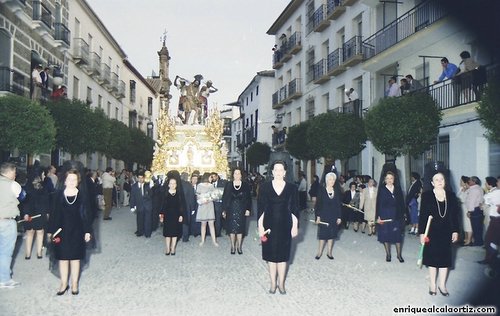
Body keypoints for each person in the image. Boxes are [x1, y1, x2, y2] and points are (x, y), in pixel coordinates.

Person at [257, 160, 299, 295]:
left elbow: (295, 209)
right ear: (272, 172)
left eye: (281, 170)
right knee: (270, 256)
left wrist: (295, 226)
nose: (279, 172)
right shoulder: (264, 187)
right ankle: (273, 283)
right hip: (269, 226)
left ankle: (281, 283)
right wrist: (260, 227)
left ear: (285, 172)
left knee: (282, 256)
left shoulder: (292, 188)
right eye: (276, 170)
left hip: (285, 225)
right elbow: (261, 209)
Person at [47, 169, 92, 295]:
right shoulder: (58, 195)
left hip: (78, 231)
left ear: (78, 181)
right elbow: (54, 214)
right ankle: (63, 283)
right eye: (69, 179)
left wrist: (87, 231)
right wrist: (51, 231)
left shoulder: (82, 195)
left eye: (74, 179)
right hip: (61, 231)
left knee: (75, 258)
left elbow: (86, 215)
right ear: (65, 181)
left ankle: (75, 284)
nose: (72, 182)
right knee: (63, 258)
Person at [418, 172, 459, 296]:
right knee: (432, 260)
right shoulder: (427, 196)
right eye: (436, 179)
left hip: (446, 231)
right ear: (432, 183)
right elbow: (423, 216)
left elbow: (455, 216)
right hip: (431, 232)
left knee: (444, 260)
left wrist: (455, 230)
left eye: (442, 179)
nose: (439, 181)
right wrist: (421, 233)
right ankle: (432, 285)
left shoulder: (451, 196)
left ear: (445, 181)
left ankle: (442, 285)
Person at [0, 162, 23, 289]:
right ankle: (4, 279)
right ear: (9, 172)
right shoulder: (13, 185)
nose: (15, 175)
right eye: (14, 172)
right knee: (5, 252)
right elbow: (22, 197)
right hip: (7, 221)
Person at [376, 170, 406, 262]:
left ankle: (399, 255)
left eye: (391, 178)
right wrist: (379, 216)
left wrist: (403, 214)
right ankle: (388, 254)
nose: (389, 180)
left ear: (394, 179)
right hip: (385, 214)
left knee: (397, 236)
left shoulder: (397, 189)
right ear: (385, 180)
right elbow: (379, 204)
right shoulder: (382, 190)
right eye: (387, 178)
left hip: (396, 215)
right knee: (386, 235)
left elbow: (402, 203)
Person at [22, 168, 51, 259]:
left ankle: (38, 252)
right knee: (31, 232)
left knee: (39, 232)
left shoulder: (42, 187)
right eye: (43, 174)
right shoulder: (28, 188)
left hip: (40, 212)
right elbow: (25, 202)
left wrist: (47, 212)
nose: (44, 176)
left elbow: (47, 201)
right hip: (32, 213)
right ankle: (29, 253)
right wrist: (26, 213)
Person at [222, 168, 251, 255]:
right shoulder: (228, 184)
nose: (237, 175)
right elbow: (225, 198)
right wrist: (224, 210)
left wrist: (248, 209)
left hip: (241, 210)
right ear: (233, 175)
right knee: (231, 229)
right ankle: (232, 246)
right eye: (235, 173)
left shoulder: (245, 185)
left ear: (241, 175)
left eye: (239, 173)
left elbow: (249, 199)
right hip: (231, 209)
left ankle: (239, 246)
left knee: (240, 229)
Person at [314, 172, 342, 260]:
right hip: (323, 216)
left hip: (333, 216)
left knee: (331, 235)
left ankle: (329, 252)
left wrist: (339, 217)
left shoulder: (337, 191)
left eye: (333, 179)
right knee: (322, 236)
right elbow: (318, 205)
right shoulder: (321, 190)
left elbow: (338, 205)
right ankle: (319, 252)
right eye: (330, 179)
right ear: (326, 181)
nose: (332, 181)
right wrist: (318, 216)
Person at [159, 176, 185, 255]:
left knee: (174, 233)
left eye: (174, 183)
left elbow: (181, 205)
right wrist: (161, 216)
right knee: (167, 234)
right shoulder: (165, 194)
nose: (172, 185)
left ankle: (173, 248)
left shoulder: (179, 194)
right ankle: (167, 248)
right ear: (168, 185)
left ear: (176, 185)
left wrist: (181, 215)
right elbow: (162, 206)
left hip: (176, 216)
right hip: (167, 215)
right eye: (171, 183)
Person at [478, 176, 500, 265]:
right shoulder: (497, 192)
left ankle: (490, 259)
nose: (497, 183)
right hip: (494, 219)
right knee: (492, 240)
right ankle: (491, 258)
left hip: (496, 220)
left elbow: (486, 199)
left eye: (498, 182)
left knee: (489, 239)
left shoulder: (497, 192)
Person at [196, 173, 218, 247]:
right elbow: (197, 195)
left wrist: (210, 198)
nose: (211, 179)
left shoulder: (211, 186)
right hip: (203, 206)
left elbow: (214, 195)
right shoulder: (199, 185)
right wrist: (203, 199)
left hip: (210, 205)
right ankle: (202, 240)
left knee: (211, 224)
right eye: (210, 177)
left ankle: (214, 240)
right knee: (203, 224)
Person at [130, 171, 153, 238]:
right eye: (139, 178)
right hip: (139, 205)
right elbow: (132, 197)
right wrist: (132, 206)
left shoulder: (148, 185)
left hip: (148, 205)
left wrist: (151, 188)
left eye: (142, 178)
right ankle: (140, 231)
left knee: (148, 220)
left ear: (144, 178)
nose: (140, 179)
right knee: (140, 219)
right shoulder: (134, 186)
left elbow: (151, 195)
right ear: (137, 178)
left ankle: (147, 233)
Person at [466, 176, 484, 246]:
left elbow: (471, 202)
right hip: (479, 210)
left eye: (470, 180)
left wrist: (469, 211)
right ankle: (479, 241)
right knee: (479, 227)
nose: (469, 182)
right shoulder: (479, 188)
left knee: (475, 227)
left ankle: (477, 242)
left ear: (474, 182)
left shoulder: (473, 190)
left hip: (474, 210)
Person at [211, 172, 226, 237]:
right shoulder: (210, 184)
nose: (213, 178)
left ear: (217, 176)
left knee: (218, 218)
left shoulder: (222, 183)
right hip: (211, 203)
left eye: (214, 176)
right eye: (212, 177)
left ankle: (217, 232)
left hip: (219, 203)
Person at [458, 176, 472, 245]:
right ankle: (466, 238)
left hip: (466, 207)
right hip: (462, 208)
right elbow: (458, 196)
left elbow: (465, 199)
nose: (460, 182)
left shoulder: (468, 190)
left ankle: (469, 240)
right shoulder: (461, 189)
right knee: (464, 225)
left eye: (461, 181)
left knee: (468, 224)